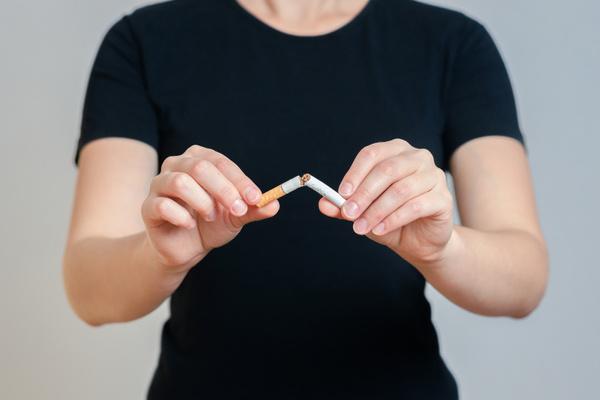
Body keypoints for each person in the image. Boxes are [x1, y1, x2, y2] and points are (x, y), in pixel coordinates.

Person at [63, 0, 548, 398]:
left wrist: (442, 251)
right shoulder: (143, 41)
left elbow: (524, 281)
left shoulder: (455, 45)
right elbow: (88, 290)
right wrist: (160, 256)